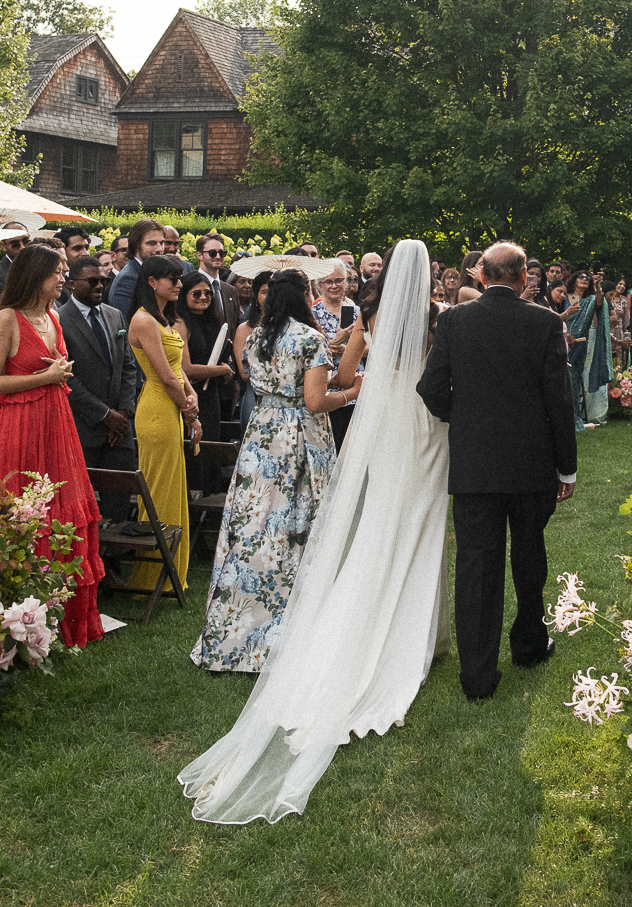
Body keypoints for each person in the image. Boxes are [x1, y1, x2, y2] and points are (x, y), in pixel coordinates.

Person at [180, 241, 447, 822]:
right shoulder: (422, 327)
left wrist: (366, 382)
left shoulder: (269, 336)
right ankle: (359, 628)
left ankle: (245, 630)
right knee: (338, 531)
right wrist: (362, 391)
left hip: (267, 442)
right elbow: (329, 395)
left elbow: (320, 376)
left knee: (273, 533)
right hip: (364, 438)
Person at [417, 242, 577, 701]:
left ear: (481, 276)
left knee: (477, 565)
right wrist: (565, 467)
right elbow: (558, 399)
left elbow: (430, 388)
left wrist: (462, 418)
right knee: (529, 556)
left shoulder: (452, 320)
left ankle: (478, 675)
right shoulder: (545, 322)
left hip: (474, 464)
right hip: (531, 463)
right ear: (525, 278)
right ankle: (528, 644)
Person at [191, 268, 362, 674]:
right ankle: (295, 629)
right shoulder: (309, 338)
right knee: (298, 524)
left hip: (261, 435)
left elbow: (259, 382)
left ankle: (234, 628)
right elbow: (316, 401)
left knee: (253, 522)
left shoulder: (255, 337)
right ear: (304, 296)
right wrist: (353, 391)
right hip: (300, 439)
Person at [0, 245, 104, 647]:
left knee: (64, 507)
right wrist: (46, 376)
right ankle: (23, 616)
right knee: (28, 512)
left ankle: (65, 619)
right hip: (21, 426)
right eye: (58, 271)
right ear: (36, 275)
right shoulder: (6, 318)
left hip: (57, 423)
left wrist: (58, 373)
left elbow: (54, 371)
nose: (64, 277)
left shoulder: (53, 316)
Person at [125, 256, 200, 594]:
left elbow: (178, 370)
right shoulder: (143, 321)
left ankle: (171, 571)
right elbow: (165, 375)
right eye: (172, 279)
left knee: (172, 485)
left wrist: (192, 393)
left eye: (179, 278)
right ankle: (153, 574)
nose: (179, 285)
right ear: (152, 281)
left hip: (170, 405)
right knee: (157, 489)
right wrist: (189, 410)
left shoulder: (164, 318)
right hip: (157, 408)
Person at [58, 256, 138, 522]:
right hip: (84, 426)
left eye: (103, 280)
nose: (100, 285)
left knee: (119, 499)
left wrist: (123, 414)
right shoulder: (59, 320)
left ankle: (113, 559)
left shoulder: (114, 315)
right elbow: (67, 377)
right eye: (93, 281)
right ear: (72, 284)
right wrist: (106, 416)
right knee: (81, 503)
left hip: (120, 429)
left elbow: (128, 367)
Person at [175, 272, 236, 482]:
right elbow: (186, 368)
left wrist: (225, 364)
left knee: (211, 446)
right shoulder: (180, 323)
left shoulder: (214, 322)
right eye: (196, 293)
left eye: (208, 293)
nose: (203, 297)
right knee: (195, 449)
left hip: (211, 396)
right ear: (184, 295)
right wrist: (222, 370)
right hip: (192, 396)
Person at [311, 260, 360, 452]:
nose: (334, 285)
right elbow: (310, 351)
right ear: (319, 285)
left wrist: (349, 350)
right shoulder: (312, 315)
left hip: (355, 386)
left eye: (339, 280)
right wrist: (333, 345)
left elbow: (375, 347)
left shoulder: (357, 312)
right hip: (326, 388)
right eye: (328, 281)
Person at [566, 270, 613, 426]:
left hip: (580, 344)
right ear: (574, 279)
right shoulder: (563, 296)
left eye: (588, 278)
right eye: (581, 277)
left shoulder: (590, 299)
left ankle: (574, 417)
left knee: (574, 378)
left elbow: (599, 303)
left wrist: (598, 286)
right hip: (562, 342)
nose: (585, 279)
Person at [233, 270, 272, 434]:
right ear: (256, 296)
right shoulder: (245, 329)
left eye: (275, 292)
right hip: (256, 395)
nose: (270, 296)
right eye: (265, 292)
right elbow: (244, 373)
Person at [107, 218, 166, 325]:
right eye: (151, 243)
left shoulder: (151, 272)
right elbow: (126, 326)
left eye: (161, 243)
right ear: (135, 246)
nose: (159, 249)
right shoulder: (127, 279)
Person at [606, 278, 630, 366]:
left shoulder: (624, 300)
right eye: (620, 284)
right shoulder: (608, 298)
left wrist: (626, 331)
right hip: (608, 328)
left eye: (624, 285)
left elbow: (626, 317)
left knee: (619, 356)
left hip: (619, 330)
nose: (622, 286)